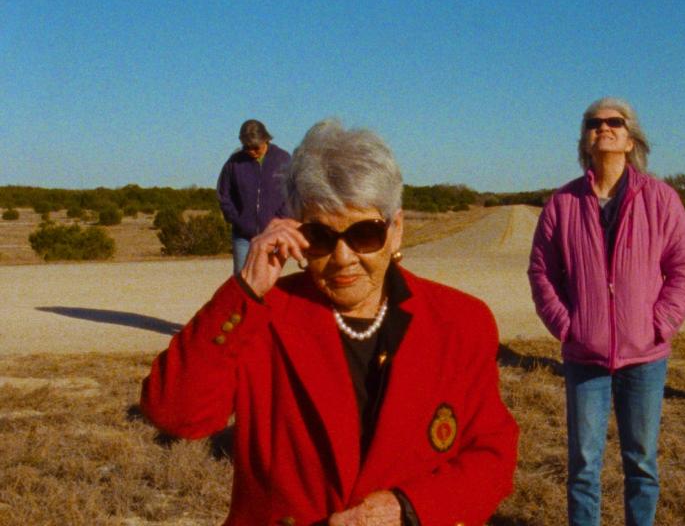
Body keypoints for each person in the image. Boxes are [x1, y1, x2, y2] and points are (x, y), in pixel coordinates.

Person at [143, 119, 519, 526]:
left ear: (396, 230)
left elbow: (492, 453)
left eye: (365, 234)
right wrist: (246, 289)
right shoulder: (263, 316)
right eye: (320, 237)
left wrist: (410, 508)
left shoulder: (460, 321)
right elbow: (175, 414)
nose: (342, 258)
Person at [528, 98, 685, 526]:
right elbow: (542, 271)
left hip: (645, 357)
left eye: (614, 122)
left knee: (641, 462)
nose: (603, 127)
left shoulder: (660, 199)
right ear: (585, 139)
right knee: (583, 466)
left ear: (630, 139)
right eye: (594, 122)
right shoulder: (563, 202)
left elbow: (684, 268)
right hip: (584, 356)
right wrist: (566, 325)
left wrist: (660, 324)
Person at [217, 119, 292, 273]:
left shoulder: (283, 158)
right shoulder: (234, 162)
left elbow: (293, 192)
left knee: (269, 279)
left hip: (274, 234)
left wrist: (280, 219)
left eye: (255, 147)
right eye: (247, 147)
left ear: (266, 139)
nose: (252, 151)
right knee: (241, 279)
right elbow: (224, 193)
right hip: (243, 236)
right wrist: (236, 219)